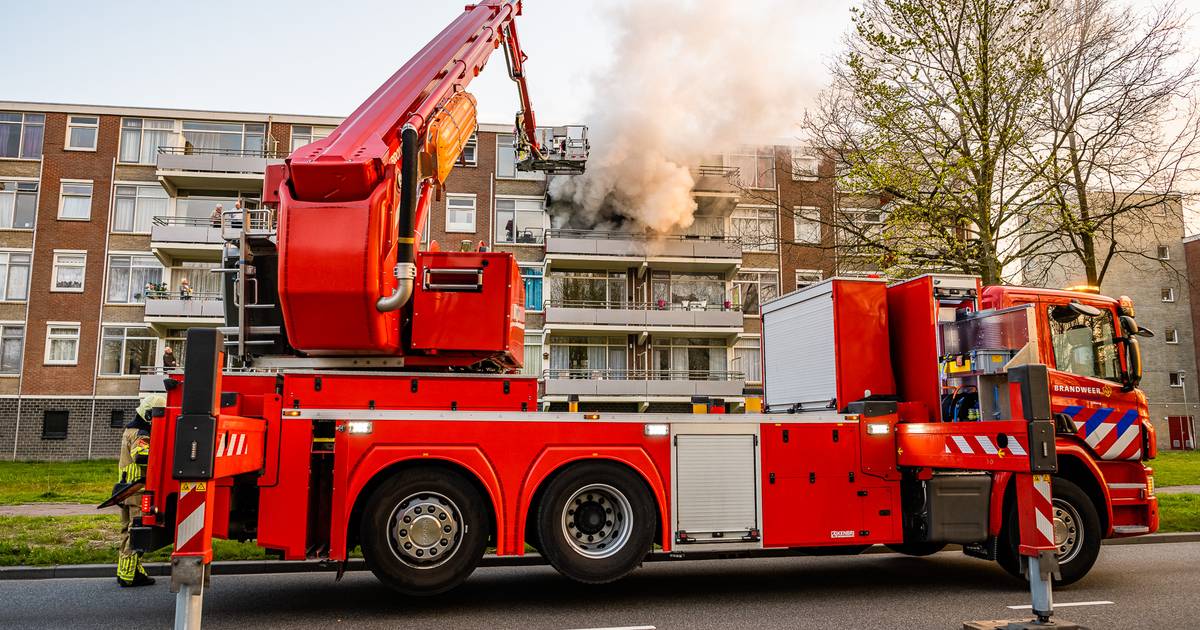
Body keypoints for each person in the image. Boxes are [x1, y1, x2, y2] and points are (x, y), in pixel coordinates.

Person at [114, 393, 166, 588]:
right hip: (137, 489)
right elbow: (141, 456)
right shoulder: (142, 434)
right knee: (136, 532)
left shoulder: (130, 430)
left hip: (125, 488)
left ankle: (128, 569)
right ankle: (129, 575)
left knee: (127, 531)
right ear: (150, 415)